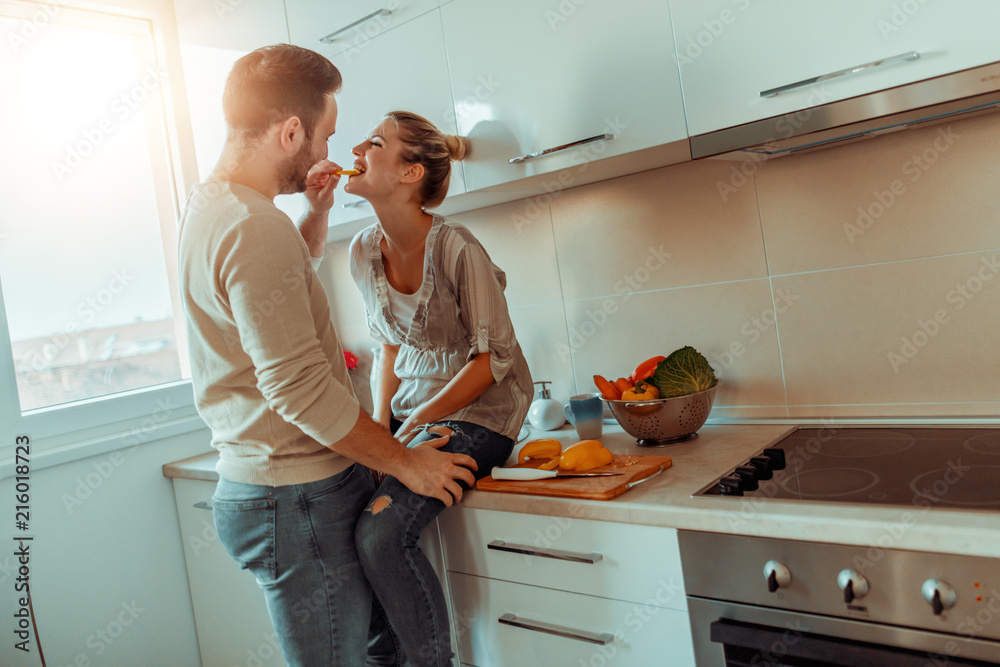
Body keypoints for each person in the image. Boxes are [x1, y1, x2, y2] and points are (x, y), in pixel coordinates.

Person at [176, 45, 477, 667]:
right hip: (296, 499)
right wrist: (403, 461)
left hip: (273, 489)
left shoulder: (213, 208)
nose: (329, 153)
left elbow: (278, 296)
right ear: (290, 131)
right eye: (326, 135)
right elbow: (297, 388)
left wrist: (315, 213)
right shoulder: (253, 226)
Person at [347, 111, 533, 666]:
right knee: (344, 517)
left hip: (483, 413)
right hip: (413, 417)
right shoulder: (361, 251)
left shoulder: (457, 247)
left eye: (376, 143)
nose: (357, 147)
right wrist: (381, 429)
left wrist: (404, 433)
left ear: (411, 173)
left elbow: (492, 360)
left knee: (380, 537)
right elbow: (387, 348)